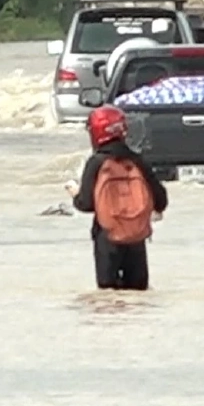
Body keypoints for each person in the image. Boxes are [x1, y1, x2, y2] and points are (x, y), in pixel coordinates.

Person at [65, 105, 168, 290]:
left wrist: (74, 194)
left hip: (107, 238)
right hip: (136, 238)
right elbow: (162, 200)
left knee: (107, 298)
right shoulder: (138, 161)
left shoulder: (96, 162)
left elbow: (86, 204)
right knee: (138, 298)